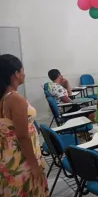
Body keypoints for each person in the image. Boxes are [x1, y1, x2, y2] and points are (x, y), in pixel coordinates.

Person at [0, 54, 49, 197]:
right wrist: (34, 165)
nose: (24, 73)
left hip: (8, 156)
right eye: (22, 70)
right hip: (22, 160)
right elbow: (22, 136)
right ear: (16, 73)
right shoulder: (15, 98)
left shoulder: (3, 97)